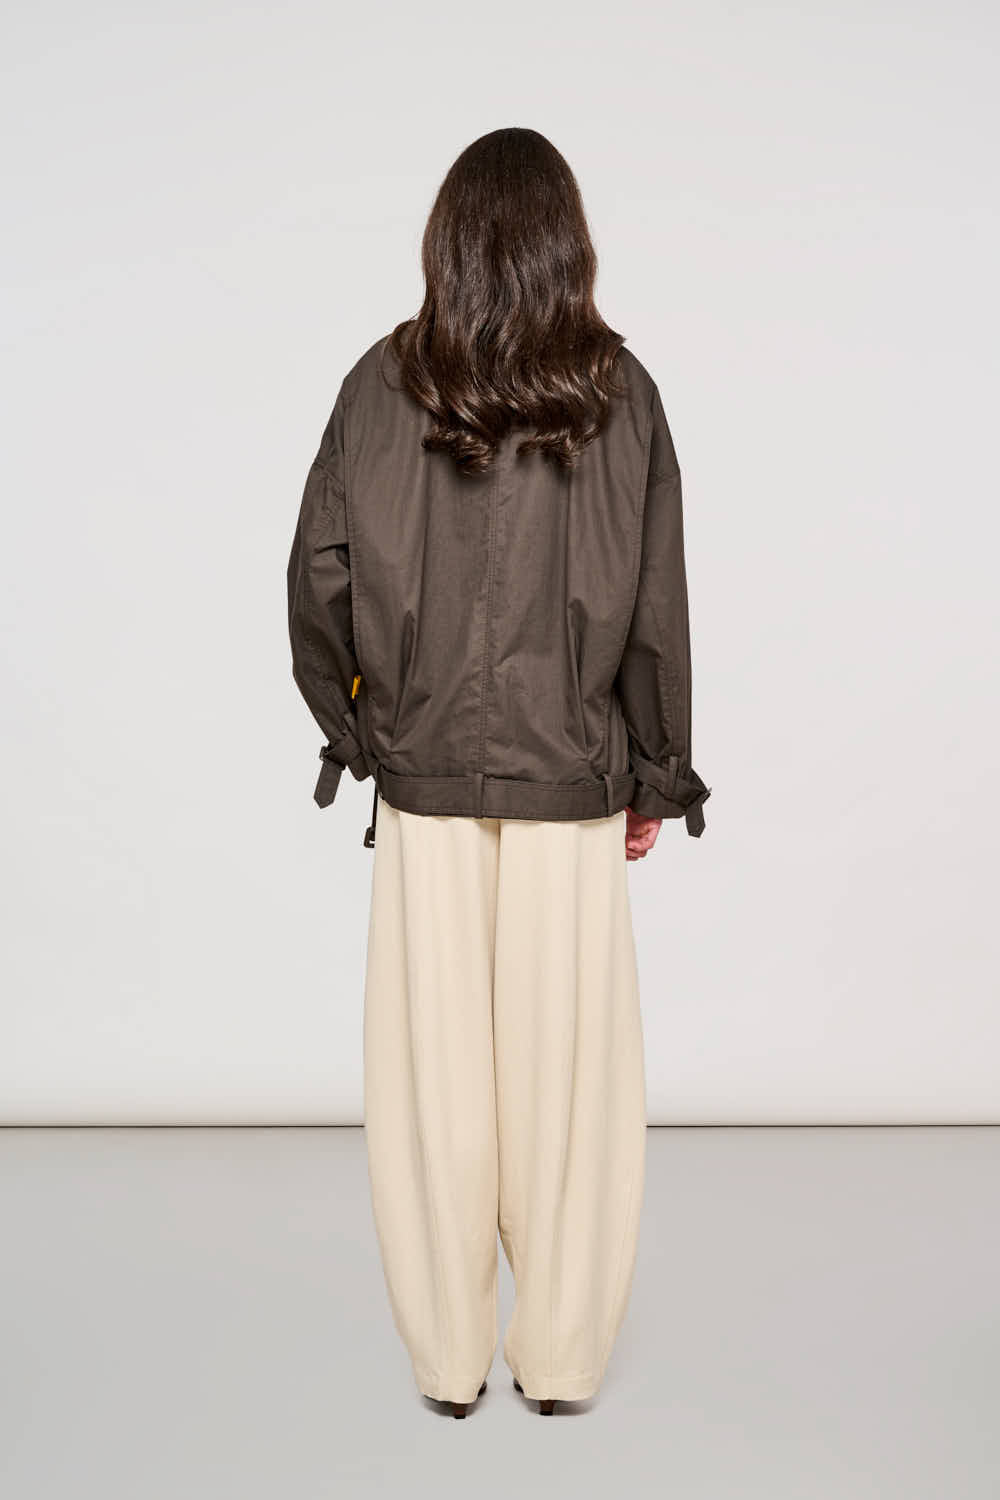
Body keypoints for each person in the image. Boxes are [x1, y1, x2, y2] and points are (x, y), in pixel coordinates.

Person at [286, 126, 711, 1420]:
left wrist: (364, 733)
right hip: (572, 778)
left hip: (423, 785)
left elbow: (320, 577)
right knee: (569, 1087)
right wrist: (655, 769)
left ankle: (448, 1364)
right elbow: (654, 603)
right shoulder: (620, 392)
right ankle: (563, 1361)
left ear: (447, 240)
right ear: (569, 243)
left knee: (432, 1085)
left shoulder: (380, 383)